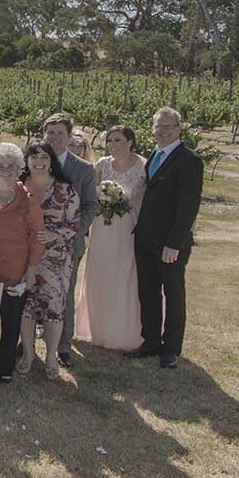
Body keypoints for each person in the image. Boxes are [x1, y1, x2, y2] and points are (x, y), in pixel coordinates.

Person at [128, 107, 202, 370]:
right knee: (148, 293)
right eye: (159, 126)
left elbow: (188, 207)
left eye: (169, 126)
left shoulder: (188, 160)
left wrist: (175, 243)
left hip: (169, 242)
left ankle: (170, 349)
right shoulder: (155, 155)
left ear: (179, 129)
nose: (163, 131)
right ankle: (150, 342)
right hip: (145, 238)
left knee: (173, 294)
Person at [0, 143, 45, 384]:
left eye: (11, 166)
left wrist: (31, 270)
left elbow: (37, 236)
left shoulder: (28, 200)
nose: (5, 170)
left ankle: (4, 368)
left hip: (16, 271)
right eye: (0, 166)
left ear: (19, 169)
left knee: (11, 322)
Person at [74, 125, 147, 351]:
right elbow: (93, 194)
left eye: (118, 140)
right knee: (102, 272)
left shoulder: (144, 165)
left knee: (126, 275)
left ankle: (125, 331)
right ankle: (99, 327)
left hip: (130, 227)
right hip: (104, 228)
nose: (112, 145)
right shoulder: (102, 164)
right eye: (109, 141)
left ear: (130, 142)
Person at [18, 142, 80, 379]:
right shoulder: (19, 187)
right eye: (34, 157)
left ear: (51, 160)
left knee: (53, 309)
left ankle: (51, 355)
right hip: (23, 257)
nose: (39, 161)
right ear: (27, 161)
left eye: (44, 156)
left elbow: (74, 224)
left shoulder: (65, 190)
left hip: (55, 260)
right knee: (26, 308)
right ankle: (27, 353)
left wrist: (56, 234)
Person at [44, 113, 98, 368]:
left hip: (68, 244)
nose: (55, 138)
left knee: (63, 294)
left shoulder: (83, 169)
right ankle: (27, 339)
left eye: (60, 134)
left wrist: (71, 233)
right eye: (51, 133)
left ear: (69, 136)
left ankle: (63, 345)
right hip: (34, 242)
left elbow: (90, 205)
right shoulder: (33, 161)